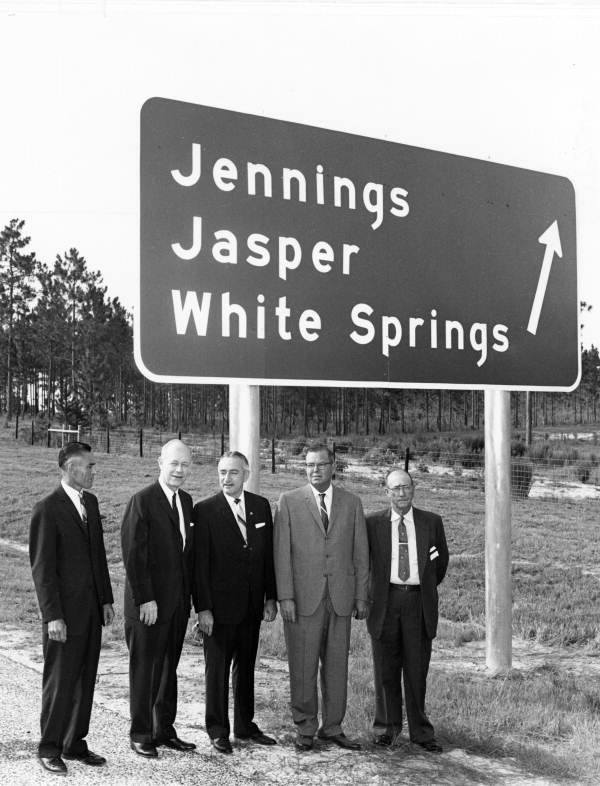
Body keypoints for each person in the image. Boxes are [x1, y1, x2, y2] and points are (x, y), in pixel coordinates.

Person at [273, 442, 369, 752]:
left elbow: (360, 554)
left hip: (339, 599)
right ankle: (305, 727)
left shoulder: (352, 503)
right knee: (302, 665)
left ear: (333, 466)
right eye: (310, 465)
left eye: (321, 464)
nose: (315, 470)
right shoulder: (288, 502)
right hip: (302, 601)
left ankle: (333, 727)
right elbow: (281, 555)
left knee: (336, 665)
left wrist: (360, 596)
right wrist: (285, 596)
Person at [29, 441, 114, 775]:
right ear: (67, 467)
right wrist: (52, 616)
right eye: (89, 466)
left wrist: (105, 599)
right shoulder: (47, 509)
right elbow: (42, 569)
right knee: (60, 681)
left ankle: (74, 743)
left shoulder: (90, 504)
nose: (93, 471)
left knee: (85, 681)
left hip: (91, 611)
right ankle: (49, 747)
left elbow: (98, 557)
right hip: (63, 616)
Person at [193, 450, 278, 754]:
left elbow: (267, 556)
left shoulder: (261, 506)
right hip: (218, 610)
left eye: (233, 472)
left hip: (252, 606)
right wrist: (203, 607)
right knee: (216, 671)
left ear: (247, 474)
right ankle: (218, 729)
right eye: (222, 472)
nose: (226, 478)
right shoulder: (205, 510)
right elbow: (199, 565)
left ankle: (245, 725)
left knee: (246, 669)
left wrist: (271, 597)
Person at [121, 438, 196, 758]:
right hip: (148, 606)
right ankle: (140, 732)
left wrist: (189, 600)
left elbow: (186, 556)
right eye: (173, 464)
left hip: (177, 604)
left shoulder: (187, 502)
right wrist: (145, 600)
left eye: (185, 465)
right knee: (145, 669)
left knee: (168, 669)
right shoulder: (143, 500)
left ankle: (164, 729)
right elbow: (133, 556)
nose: (179, 470)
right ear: (160, 464)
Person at [366, 468, 449, 752]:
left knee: (416, 670)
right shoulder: (372, 523)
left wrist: (419, 587)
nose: (401, 493)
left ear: (413, 489)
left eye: (406, 487)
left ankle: (421, 733)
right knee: (385, 670)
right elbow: (366, 564)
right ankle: (386, 729)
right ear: (386, 491)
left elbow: (440, 564)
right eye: (395, 488)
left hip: (417, 603)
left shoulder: (431, 522)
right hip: (385, 603)